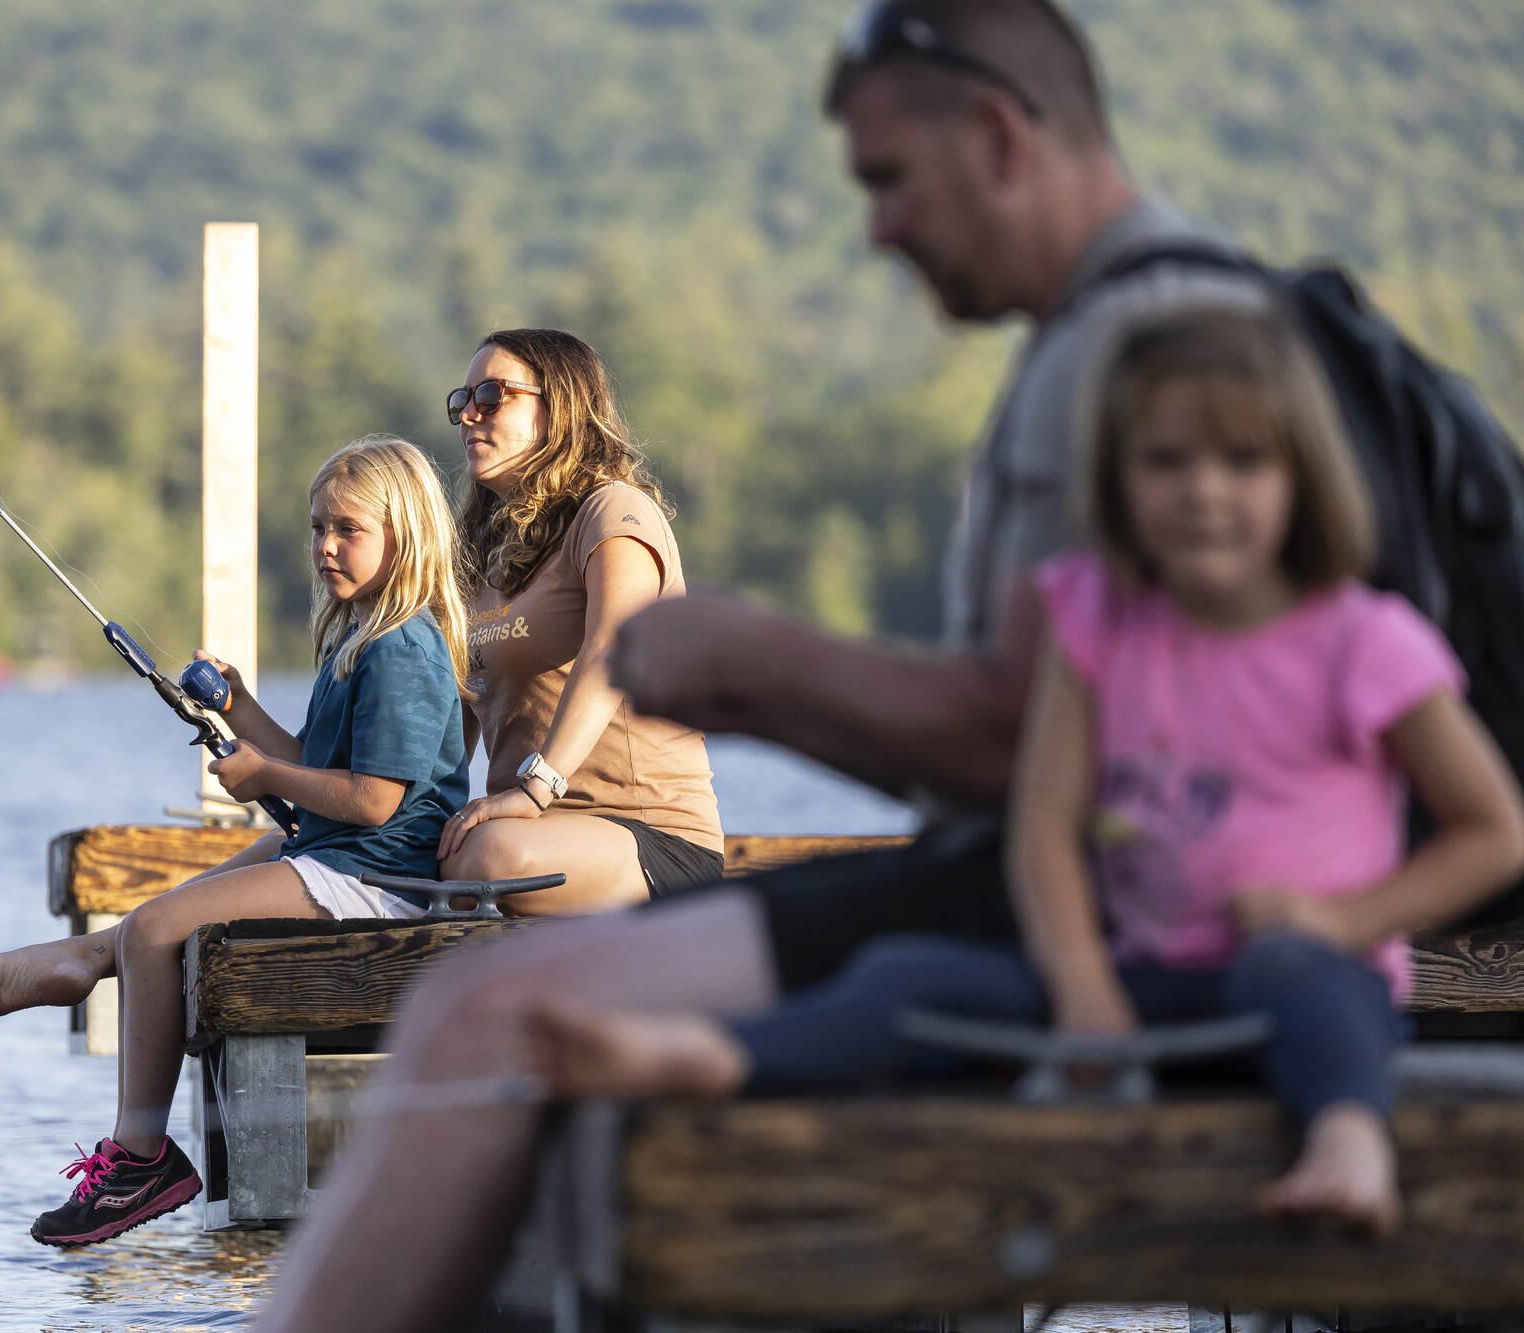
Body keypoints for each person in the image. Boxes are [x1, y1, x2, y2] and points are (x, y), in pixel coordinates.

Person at [253, 3, 1303, 1329]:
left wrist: (770, 667)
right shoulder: (1189, 314)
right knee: (504, 1014)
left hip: (1124, 912)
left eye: (886, 182)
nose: (875, 229)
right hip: (1047, 885)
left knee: (479, 1028)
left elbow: (1043, 753)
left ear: (995, 135)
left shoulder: (1128, 362)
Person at [524, 305, 1524, 1237]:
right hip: (1138, 985)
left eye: (1243, 460)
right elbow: (1044, 825)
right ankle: (709, 1055)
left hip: (1294, 987)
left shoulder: (1360, 639)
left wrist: (1343, 920)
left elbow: (1492, 830)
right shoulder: (1098, 623)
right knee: (904, 973)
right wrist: (1081, 984)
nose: (1202, 489)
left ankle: (1347, 1141)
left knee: (1310, 980)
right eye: (1165, 461)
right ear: (1117, 482)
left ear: (1301, 476)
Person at [0, 436, 473, 1247]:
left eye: (348, 530)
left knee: (156, 929)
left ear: (408, 535)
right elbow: (313, 764)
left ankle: (141, 1156)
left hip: (378, 876)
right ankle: (80, 959)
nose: (325, 545)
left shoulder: (404, 646)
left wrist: (263, 779)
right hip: (337, 854)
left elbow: (374, 799)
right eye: (317, 527)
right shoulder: (359, 635)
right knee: (169, 912)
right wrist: (242, 709)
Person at [437, 328, 724, 912]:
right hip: (526, 830)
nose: (469, 415)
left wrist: (537, 788)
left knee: (492, 859)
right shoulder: (476, 553)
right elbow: (452, 719)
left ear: (560, 408)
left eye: (490, 396)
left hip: (650, 839)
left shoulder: (613, 512)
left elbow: (610, 653)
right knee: (367, 846)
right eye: (460, 401)